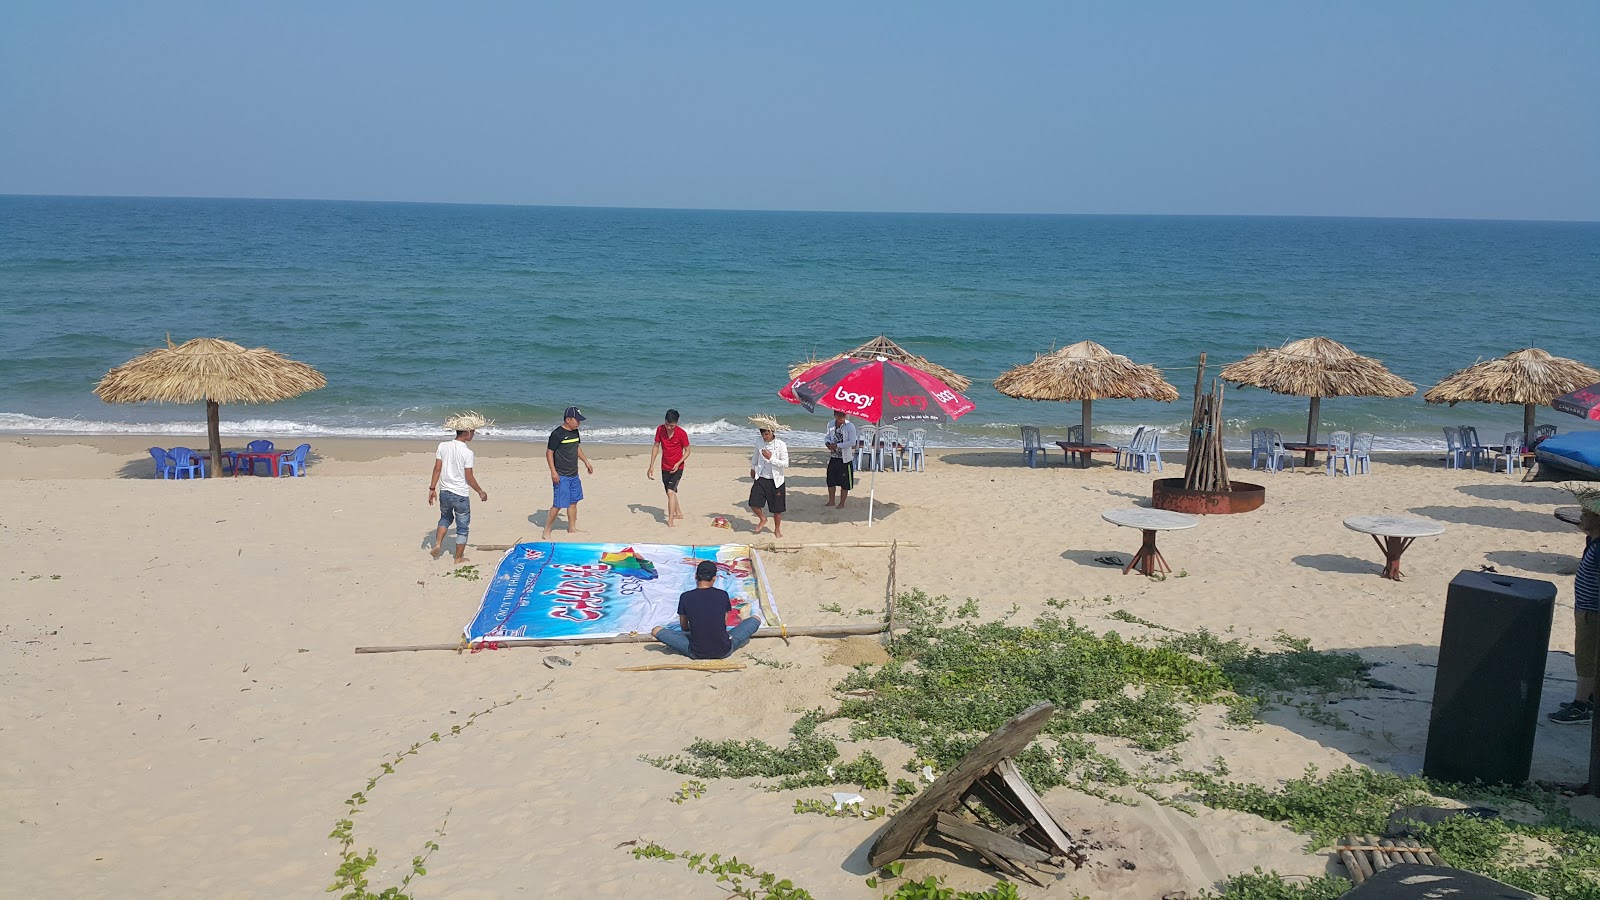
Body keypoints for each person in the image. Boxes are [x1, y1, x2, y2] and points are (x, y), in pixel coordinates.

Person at [650, 559, 762, 659]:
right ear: (714, 578)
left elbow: (684, 627)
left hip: (697, 652)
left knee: (656, 630)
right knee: (755, 619)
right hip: (724, 649)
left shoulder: (686, 597)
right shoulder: (722, 595)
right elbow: (723, 623)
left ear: (695, 576)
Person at [1549, 506, 1600, 724]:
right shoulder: (1594, 543)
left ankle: (1579, 707)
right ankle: (1590, 697)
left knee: (1586, 660)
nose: (1581, 516)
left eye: (1587, 514)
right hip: (1586, 609)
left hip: (1593, 612)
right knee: (1590, 657)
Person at [428, 412, 490, 563]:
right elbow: (469, 477)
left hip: (444, 491)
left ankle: (437, 544)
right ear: (467, 433)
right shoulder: (467, 452)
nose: (474, 434)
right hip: (460, 494)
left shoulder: (443, 446)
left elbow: (437, 469)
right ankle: (458, 558)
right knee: (462, 527)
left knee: (445, 518)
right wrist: (480, 491)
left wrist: (432, 488)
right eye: (473, 432)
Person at [543, 406, 595, 539]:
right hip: (561, 475)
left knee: (573, 501)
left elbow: (576, 448)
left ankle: (572, 528)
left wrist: (586, 462)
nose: (579, 423)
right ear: (568, 420)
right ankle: (546, 530)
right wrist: (553, 472)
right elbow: (549, 453)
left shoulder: (575, 432)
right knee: (559, 504)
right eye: (577, 420)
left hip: (574, 474)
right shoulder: (557, 434)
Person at [747, 414, 790, 537]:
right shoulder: (759, 441)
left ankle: (777, 530)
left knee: (777, 509)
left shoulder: (781, 445)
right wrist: (752, 467)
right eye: (762, 434)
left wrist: (771, 458)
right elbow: (755, 454)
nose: (764, 437)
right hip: (761, 477)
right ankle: (763, 519)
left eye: (766, 434)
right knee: (753, 503)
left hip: (776, 480)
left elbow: (785, 464)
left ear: (772, 432)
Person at [647, 408, 691, 526]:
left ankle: (670, 520)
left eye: (671, 425)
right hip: (665, 466)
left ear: (676, 423)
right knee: (669, 492)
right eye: (667, 424)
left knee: (671, 492)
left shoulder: (681, 433)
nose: (669, 427)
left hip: (678, 467)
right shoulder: (660, 429)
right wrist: (651, 465)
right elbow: (656, 446)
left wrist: (678, 463)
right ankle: (679, 513)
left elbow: (687, 451)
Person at [823, 408, 858, 509]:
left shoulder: (850, 426)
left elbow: (852, 442)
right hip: (834, 456)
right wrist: (828, 443)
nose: (841, 418)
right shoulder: (830, 424)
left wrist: (837, 445)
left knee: (845, 483)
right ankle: (831, 501)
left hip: (845, 458)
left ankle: (842, 503)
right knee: (830, 480)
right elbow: (827, 437)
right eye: (839, 416)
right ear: (835, 415)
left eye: (843, 416)